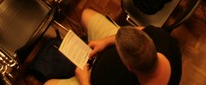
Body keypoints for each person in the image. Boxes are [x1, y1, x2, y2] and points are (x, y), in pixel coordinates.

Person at [44, 9, 181, 85]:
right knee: (86, 14)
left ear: (129, 68)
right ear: (151, 42)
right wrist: (105, 42)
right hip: (109, 50)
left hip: (89, 79)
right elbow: (140, 30)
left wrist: (84, 79)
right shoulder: (164, 39)